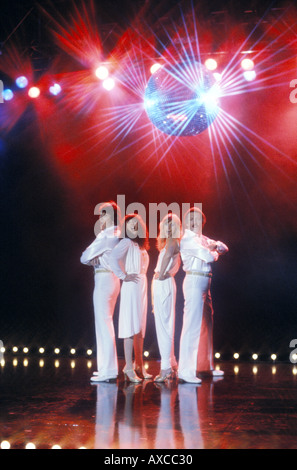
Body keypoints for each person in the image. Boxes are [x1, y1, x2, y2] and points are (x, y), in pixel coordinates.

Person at [178, 207, 228, 384]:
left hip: (205, 282)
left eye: (198, 219)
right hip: (194, 281)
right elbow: (208, 256)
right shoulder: (187, 239)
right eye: (191, 219)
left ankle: (205, 366)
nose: (194, 222)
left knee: (207, 323)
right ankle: (185, 370)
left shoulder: (203, 239)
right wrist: (214, 250)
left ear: (203, 222)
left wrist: (215, 247)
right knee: (191, 325)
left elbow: (224, 247)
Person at [80, 201, 121, 383]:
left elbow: (84, 257)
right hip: (112, 279)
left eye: (102, 215)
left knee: (104, 323)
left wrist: (92, 257)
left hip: (104, 279)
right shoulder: (118, 233)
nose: (99, 218)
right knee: (105, 322)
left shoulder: (105, 236)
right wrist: (93, 257)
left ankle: (109, 370)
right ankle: (105, 368)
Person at [109, 214, 152, 383]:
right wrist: (122, 275)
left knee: (140, 327)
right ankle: (128, 366)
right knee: (130, 326)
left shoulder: (140, 246)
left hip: (142, 284)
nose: (133, 226)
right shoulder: (126, 242)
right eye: (130, 224)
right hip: (131, 284)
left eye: (136, 224)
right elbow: (113, 258)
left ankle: (139, 364)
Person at [152, 213, 181, 382]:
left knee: (164, 327)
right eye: (166, 224)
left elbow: (169, 257)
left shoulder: (172, 242)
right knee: (166, 325)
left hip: (164, 282)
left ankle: (165, 368)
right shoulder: (171, 242)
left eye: (172, 225)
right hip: (164, 282)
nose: (168, 228)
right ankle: (171, 363)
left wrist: (161, 273)